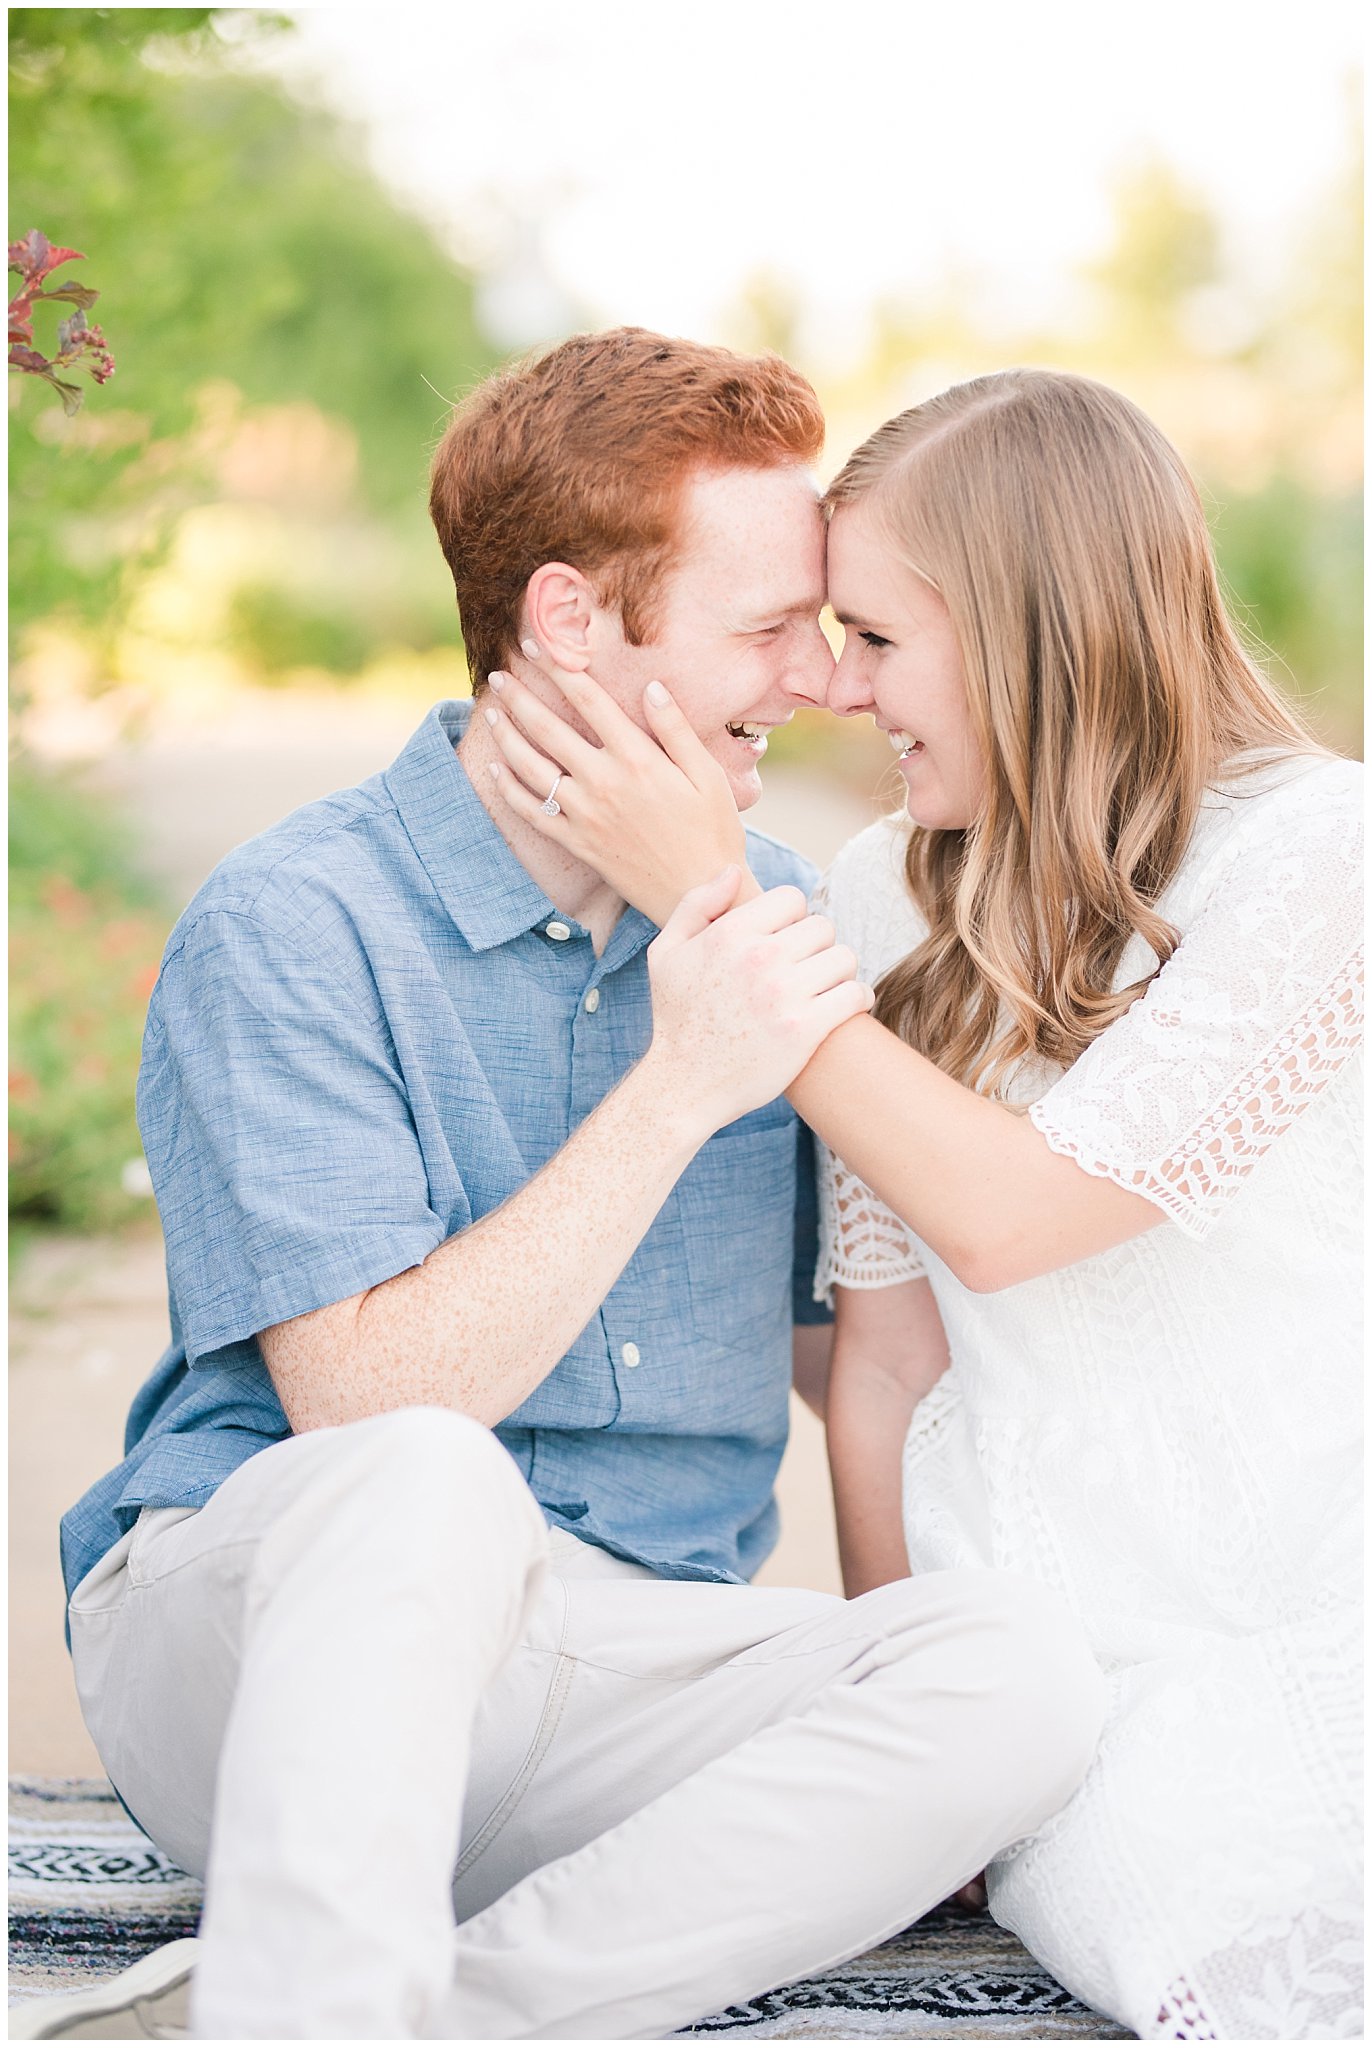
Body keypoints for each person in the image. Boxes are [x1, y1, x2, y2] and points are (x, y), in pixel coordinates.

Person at [18, 333, 1106, 2043]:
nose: (818, 681)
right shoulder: (298, 923)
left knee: (1018, 1679)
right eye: (765, 629)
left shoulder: (775, 917)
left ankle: (421, 2014)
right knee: (429, 1482)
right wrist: (683, 1083)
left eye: (826, 629)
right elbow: (371, 1400)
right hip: (271, 1648)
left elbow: (873, 1359)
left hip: (611, 1676)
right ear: (571, 622)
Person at [478, 366, 1363, 2040]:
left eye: (877, 640)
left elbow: (1014, 1215)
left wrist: (712, 907)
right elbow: (884, 1361)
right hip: (1055, 1631)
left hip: (1315, 1561)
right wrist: (906, 1709)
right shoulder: (886, 889)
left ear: (1028, 629)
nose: (834, 687)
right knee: (1191, 1909)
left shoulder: (1320, 859)